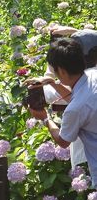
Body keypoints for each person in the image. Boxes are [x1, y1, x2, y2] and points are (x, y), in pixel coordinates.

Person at [28, 38, 97, 188]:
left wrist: (45, 118)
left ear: (62, 70)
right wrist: (52, 83)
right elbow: (79, 96)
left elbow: (63, 141)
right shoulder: (93, 74)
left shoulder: (74, 110)